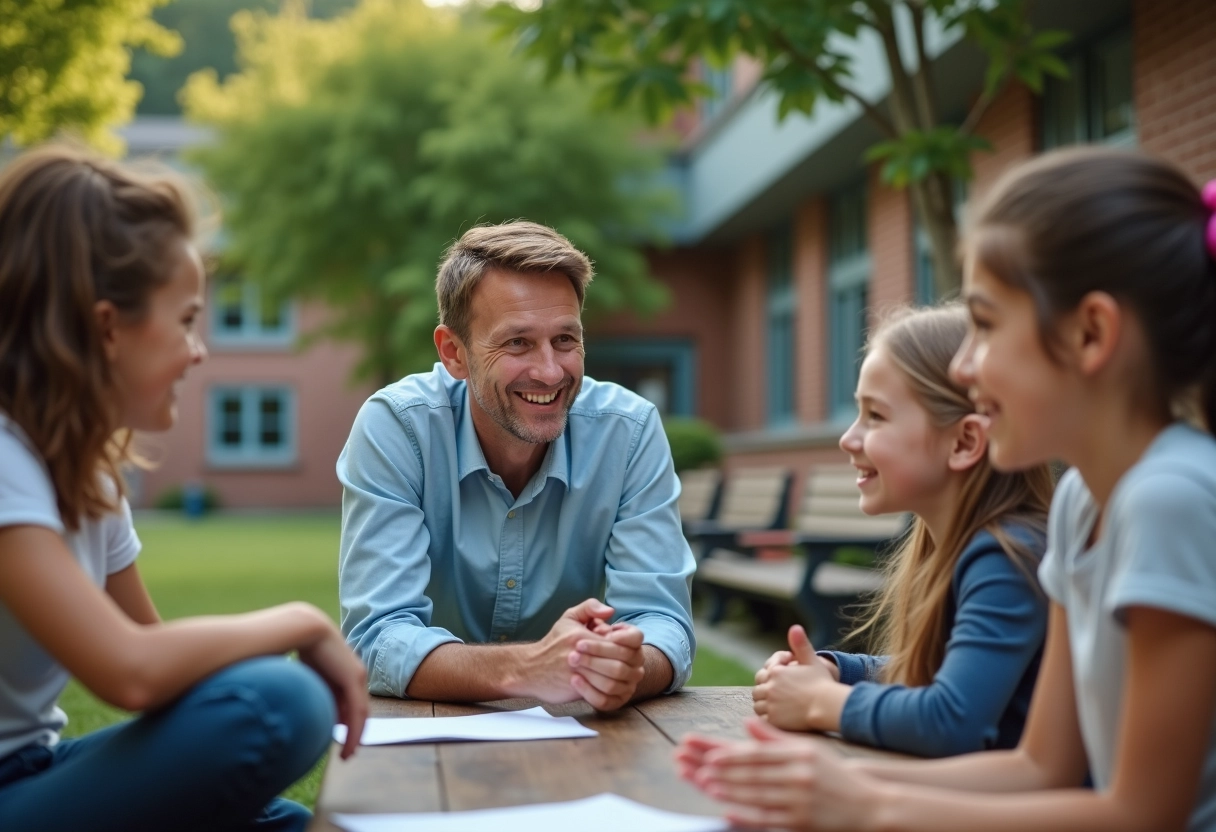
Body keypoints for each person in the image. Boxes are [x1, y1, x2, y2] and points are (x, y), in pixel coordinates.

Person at [675, 146, 1216, 831]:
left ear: (1091, 334)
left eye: (985, 324)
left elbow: (1143, 815)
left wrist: (870, 803)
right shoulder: (1082, 502)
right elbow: (1038, 768)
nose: (965, 365)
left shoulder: (1169, 499)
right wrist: (813, 779)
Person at [0, 145, 368, 832]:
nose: (199, 350)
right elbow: (130, 671)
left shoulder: (90, 477)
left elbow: (161, 664)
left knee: (282, 821)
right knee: (278, 704)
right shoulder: (5, 458)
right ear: (108, 327)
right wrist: (304, 621)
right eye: (187, 320)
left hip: (33, 769)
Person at [338, 221, 695, 710]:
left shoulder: (628, 432)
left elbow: (663, 622)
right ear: (454, 353)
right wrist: (529, 668)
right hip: (430, 729)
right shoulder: (398, 426)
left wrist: (626, 667)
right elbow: (377, 637)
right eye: (517, 343)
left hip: (580, 730)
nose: (550, 371)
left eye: (565, 339)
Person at [752, 304, 1054, 757]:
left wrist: (821, 701)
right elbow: (942, 672)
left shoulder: (1008, 557)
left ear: (964, 442)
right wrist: (837, 672)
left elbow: (949, 719)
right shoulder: (959, 543)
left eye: (875, 416)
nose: (848, 439)